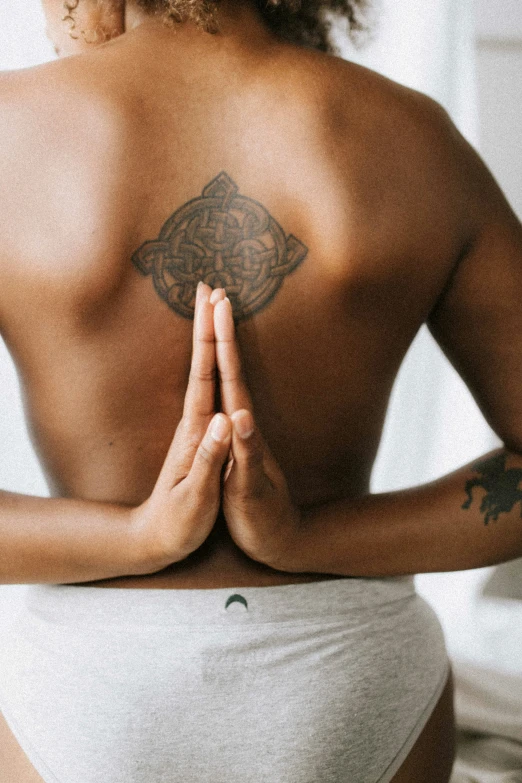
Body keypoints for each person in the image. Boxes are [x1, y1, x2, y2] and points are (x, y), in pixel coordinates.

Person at [0, 0, 521, 780]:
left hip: (91, 684)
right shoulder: (412, 136)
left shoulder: (11, 131)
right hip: (351, 671)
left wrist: (141, 537)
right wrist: (305, 535)